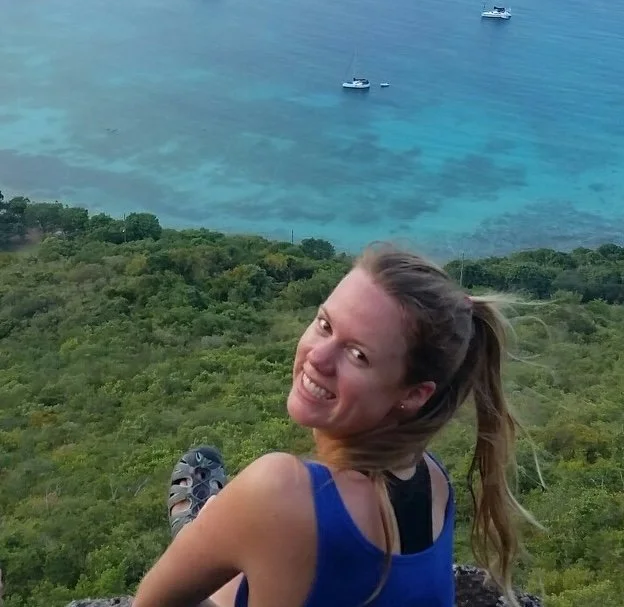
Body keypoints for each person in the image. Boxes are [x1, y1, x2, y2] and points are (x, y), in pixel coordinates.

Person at [132, 244, 529, 607]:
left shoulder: (281, 490)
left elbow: (151, 604)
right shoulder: (434, 481)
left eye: (358, 355)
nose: (317, 358)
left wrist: (237, 516)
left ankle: (201, 527)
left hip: (273, 518)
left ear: (414, 393)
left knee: (254, 535)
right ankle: (213, 527)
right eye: (324, 324)